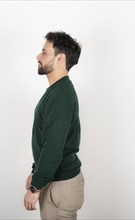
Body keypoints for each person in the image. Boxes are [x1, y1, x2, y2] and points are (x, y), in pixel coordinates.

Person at [24, 31, 84, 220]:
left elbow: (53, 146)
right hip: (53, 181)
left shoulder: (62, 95)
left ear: (60, 58)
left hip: (63, 186)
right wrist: (36, 172)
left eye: (44, 52)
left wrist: (35, 187)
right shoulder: (56, 91)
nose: (38, 56)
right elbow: (46, 139)